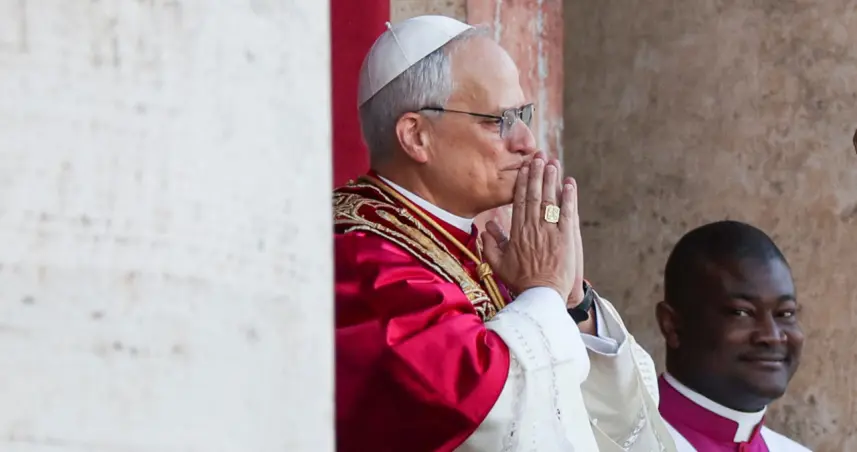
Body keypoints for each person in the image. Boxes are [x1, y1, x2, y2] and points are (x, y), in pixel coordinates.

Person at [334, 15, 676, 452]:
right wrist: (543, 291)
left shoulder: (488, 257)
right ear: (416, 136)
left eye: (523, 115)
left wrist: (572, 303)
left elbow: (614, 424)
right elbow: (472, 410)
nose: (527, 141)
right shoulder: (360, 262)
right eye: (499, 120)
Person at [655, 220, 810, 451]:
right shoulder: (615, 443)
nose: (773, 336)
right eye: (741, 312)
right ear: (673, 326)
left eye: (785, 313)